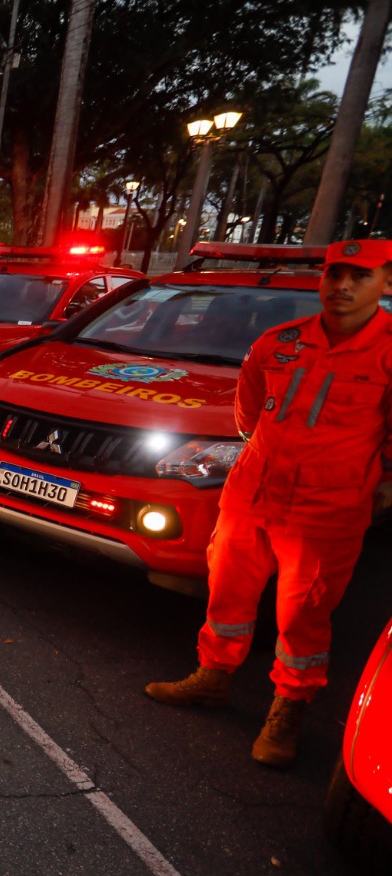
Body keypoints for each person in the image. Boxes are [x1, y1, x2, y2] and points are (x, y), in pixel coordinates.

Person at [145, 239, 392, 767]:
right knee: (227, 592)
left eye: (360, 276)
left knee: (304, 614)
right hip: (253, 491)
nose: (342, 286)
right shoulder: (280, 341)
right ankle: (212, 677)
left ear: (386, 284)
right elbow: (248, 415)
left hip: (327, 508)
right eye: (335, 274)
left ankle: (288, 711)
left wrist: (371, 483)